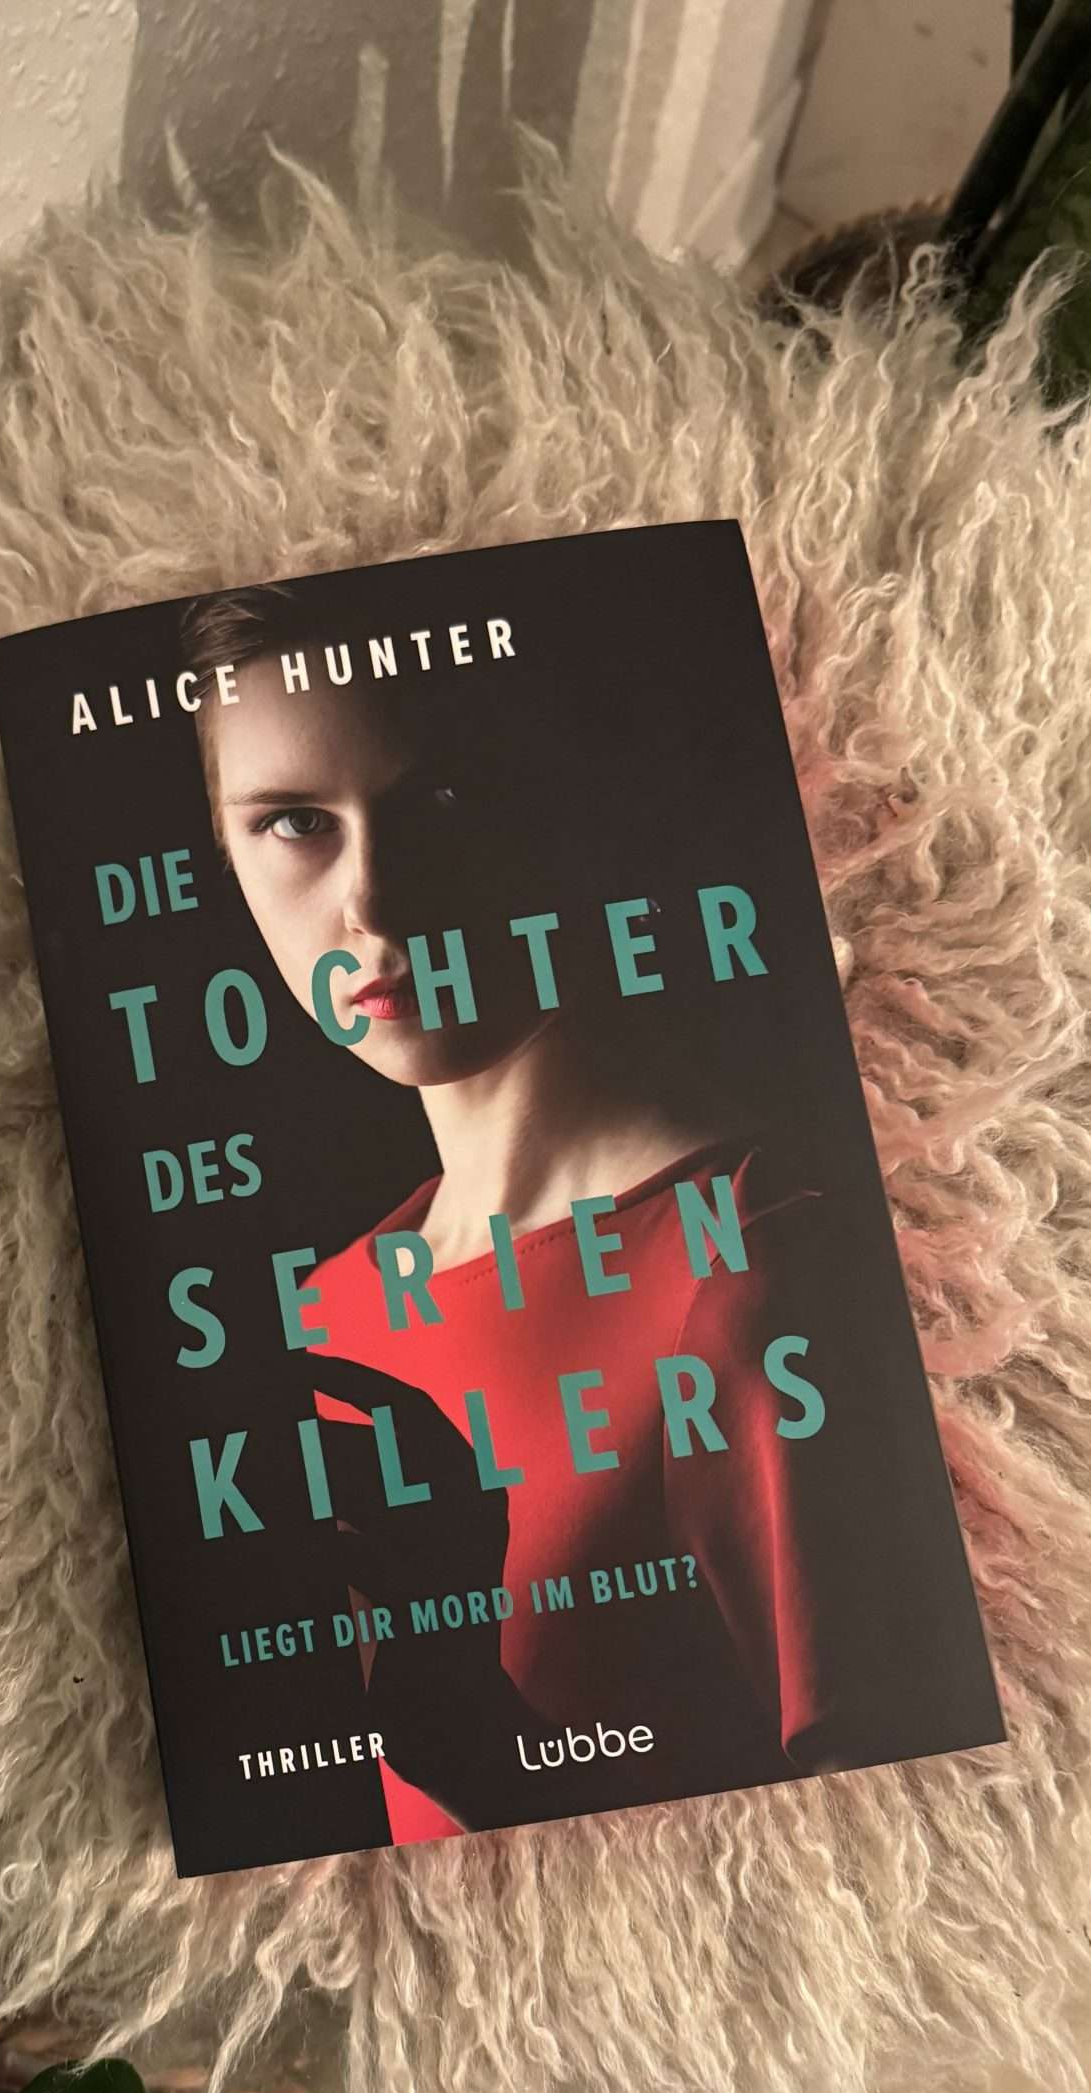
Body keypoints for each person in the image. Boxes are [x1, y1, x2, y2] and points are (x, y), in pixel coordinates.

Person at [183, 576, 873, 1842]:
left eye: (443, 800)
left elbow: (882, 1848)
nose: (373, 903)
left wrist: (463, 1725)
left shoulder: (748, 1260)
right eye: (295, 822)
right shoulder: (322, 1317)